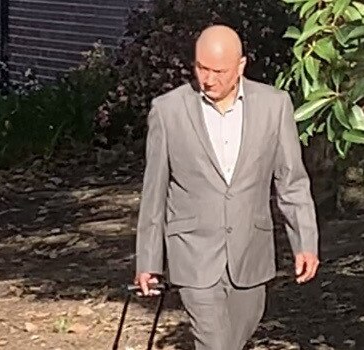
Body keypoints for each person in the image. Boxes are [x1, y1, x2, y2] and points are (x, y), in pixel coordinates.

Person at [134, 25, 320, 349]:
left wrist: (305, 241)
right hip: (193, 254)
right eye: (201, 68)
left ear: (241, 66)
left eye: (218, 71)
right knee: (215, 344)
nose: (208, 79)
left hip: (251, 253)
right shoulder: (168, 111)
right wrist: (148, 260)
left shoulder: (274, 106)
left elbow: (291, 181)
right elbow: (154, 192)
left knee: (234, 339)